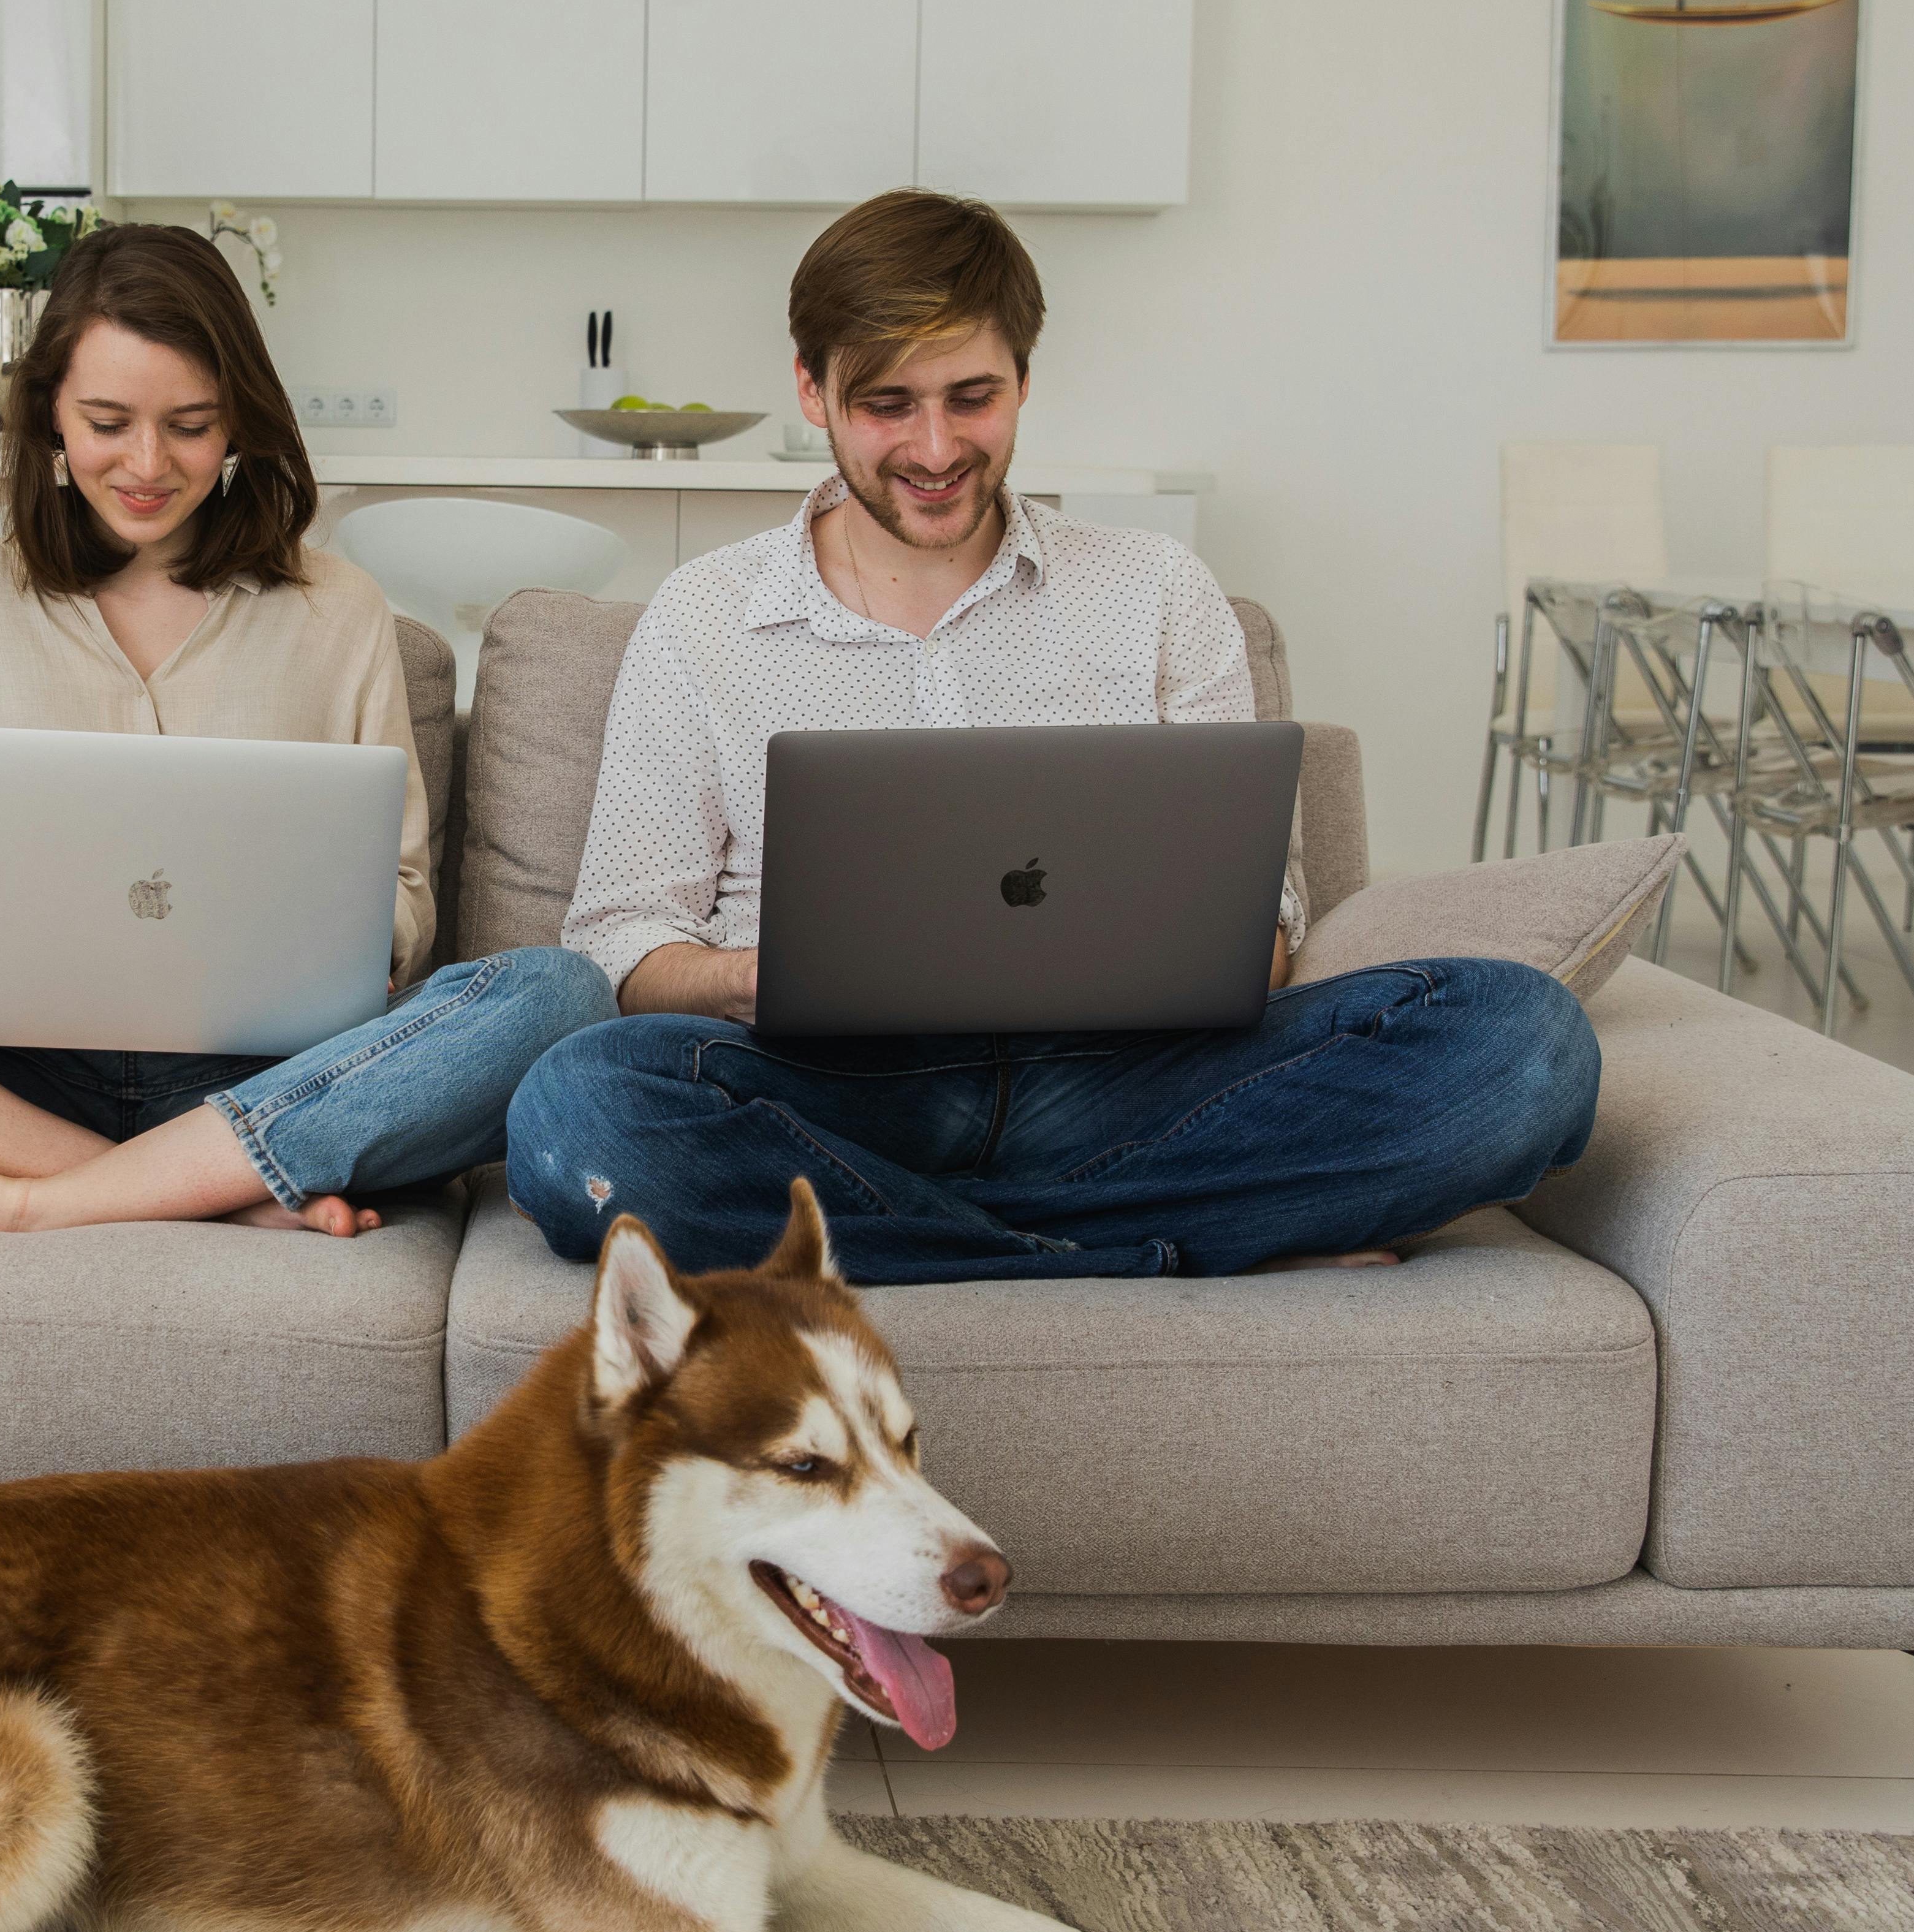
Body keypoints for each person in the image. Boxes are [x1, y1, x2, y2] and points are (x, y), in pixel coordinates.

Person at [506, 189, 1598, 1284]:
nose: (935, 449)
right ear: (812, 390)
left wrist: (1165, 961)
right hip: (829, 1093)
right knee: (580, 1111)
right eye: (888, 404)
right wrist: (751, 977)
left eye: (972, 397)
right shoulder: (705, 616)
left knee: (1527, 1043)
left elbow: (1266, 932)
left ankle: (925, 1238)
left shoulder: (1158, 591)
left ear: (1025, 379)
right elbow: (621, 944)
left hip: (1129, 1085)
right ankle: (1140, 1239)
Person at [0, 223, 610, 1238]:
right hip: (8, 1073)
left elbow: (400, 907)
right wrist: (33, 917)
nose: (148, 464)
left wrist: (339, 942)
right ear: (50, 419)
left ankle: (23, 1197)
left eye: (191, 425)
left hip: (272, 1068)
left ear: (241, 423)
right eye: (109, 422)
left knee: (558, 998)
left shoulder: (337, 611)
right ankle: (203, 1186)